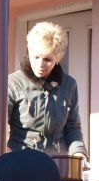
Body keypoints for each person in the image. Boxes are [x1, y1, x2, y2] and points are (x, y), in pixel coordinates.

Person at [8, 21, 87, 158]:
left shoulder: (69, 85)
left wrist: (78, 152)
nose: (40, 64)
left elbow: (72, 126)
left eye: (47, 59)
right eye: (36, 57)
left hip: (57, 161)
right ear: (29, 52)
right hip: (22, 159)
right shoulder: (13, 83)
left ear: (58, 58)